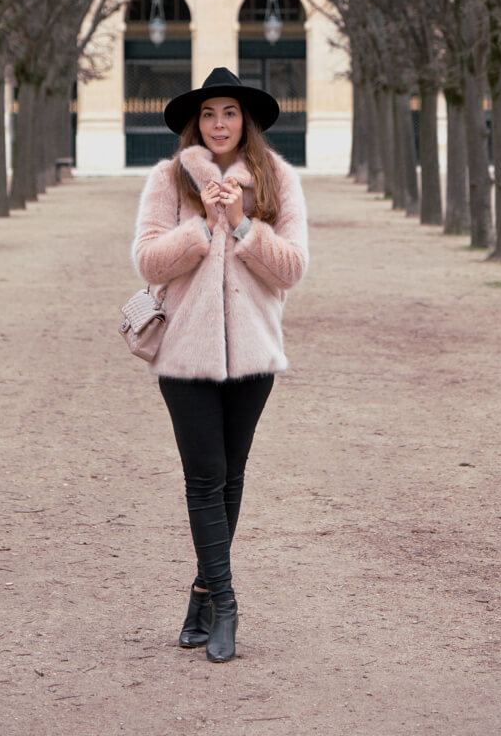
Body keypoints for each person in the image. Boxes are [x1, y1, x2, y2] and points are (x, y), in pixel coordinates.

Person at [132, 66, 309, 663]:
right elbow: (148, 263)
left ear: (246, 120)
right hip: (184, 356)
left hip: (254, 355)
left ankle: (202, 593)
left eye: (228, 112)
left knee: (231, 478)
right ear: (194, 123)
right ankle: (227, 605)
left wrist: (241, 224)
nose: (218, 124)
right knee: (204, 477)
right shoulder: (168, 178)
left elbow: (293, 269)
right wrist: (203, 229)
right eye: (208, 115)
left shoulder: (277, 178)